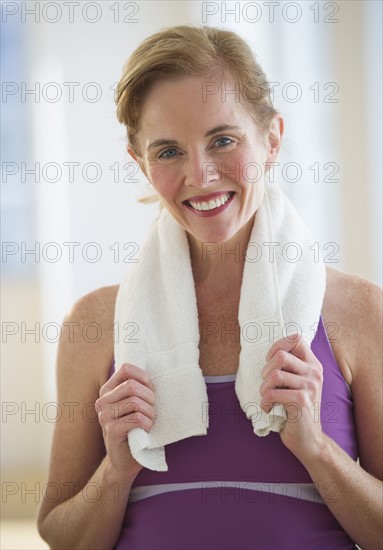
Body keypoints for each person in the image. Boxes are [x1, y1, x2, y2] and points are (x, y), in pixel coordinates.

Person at [37, 25, 382, 549]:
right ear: (140, 163)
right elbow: (62, 536)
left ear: (272, 139)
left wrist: (316, 449)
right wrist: (117, 470)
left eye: (223, 140)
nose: (200, 174)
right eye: (169, 151)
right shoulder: (93, 325)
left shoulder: (359, 312)